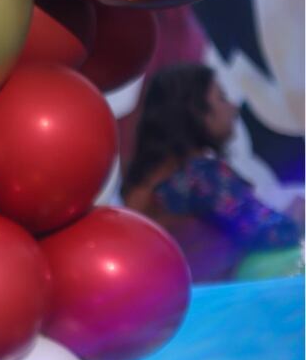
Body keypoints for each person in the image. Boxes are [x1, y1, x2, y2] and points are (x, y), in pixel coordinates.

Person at [124, 62, 302, 280]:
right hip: (228, 300)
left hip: (179, 302)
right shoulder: (201, 175)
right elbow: (276, 233)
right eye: (222, 97)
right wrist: (297, 211)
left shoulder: (143, 183)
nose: (233, 108)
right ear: (196, 111)